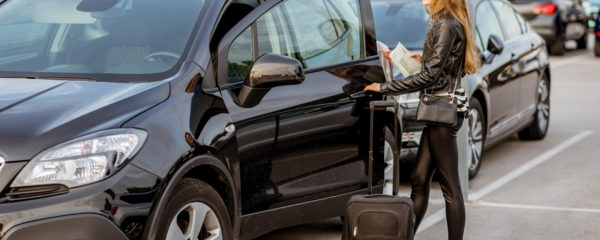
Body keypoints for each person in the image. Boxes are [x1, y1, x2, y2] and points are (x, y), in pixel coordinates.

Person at [364, 0, 479, 239]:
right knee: (419, 177)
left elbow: (430, 77)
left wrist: (384, 86)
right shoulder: (445, 21)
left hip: (442, 111)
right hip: (438, 110)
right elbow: (441, 69)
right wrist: (414, 60)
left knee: (450, 188)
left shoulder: (447, 24)